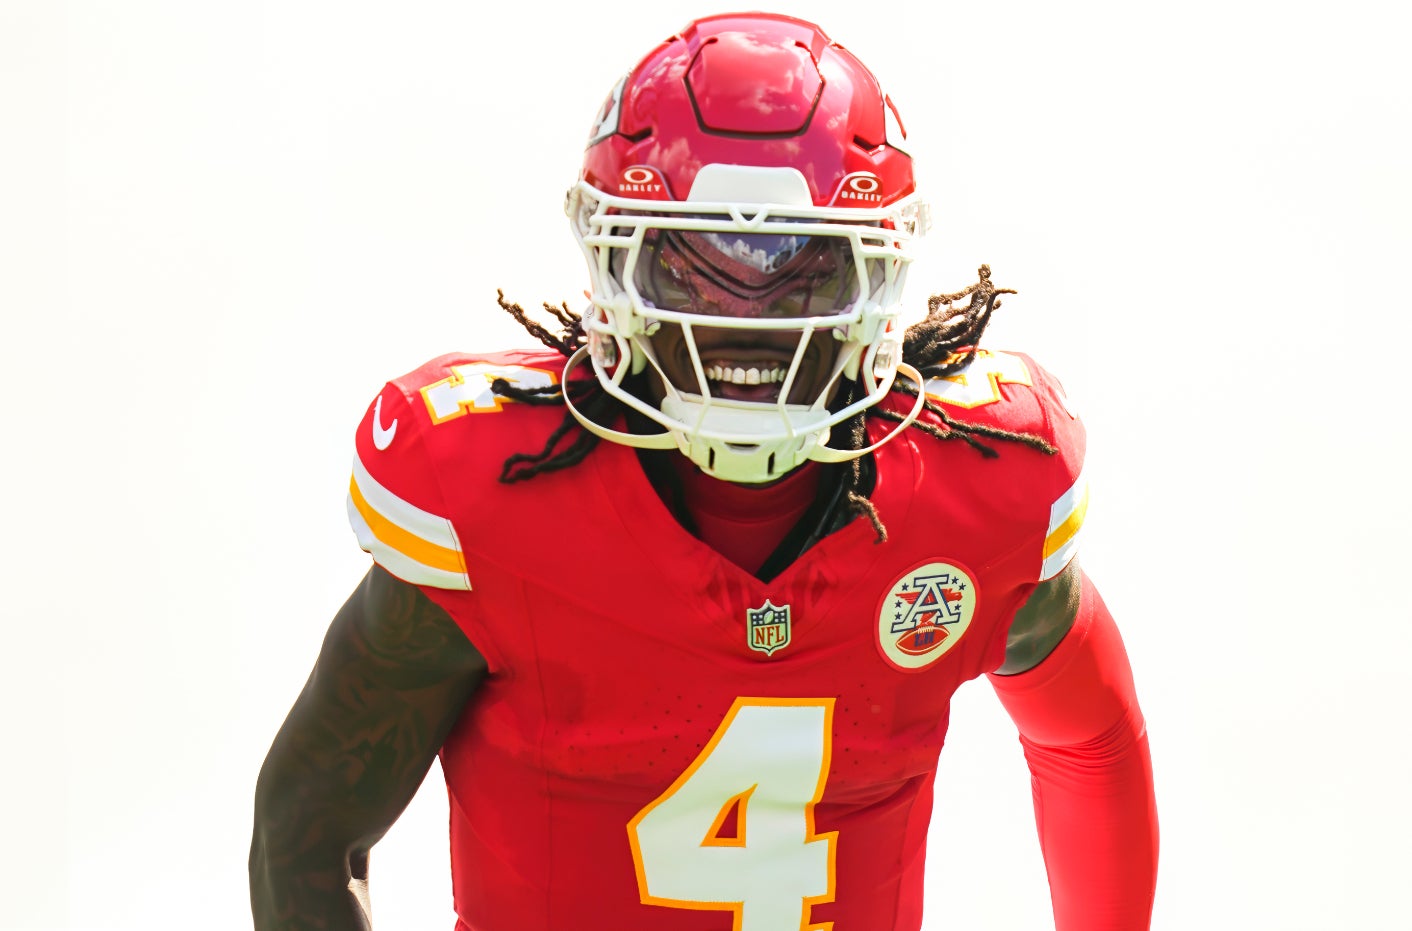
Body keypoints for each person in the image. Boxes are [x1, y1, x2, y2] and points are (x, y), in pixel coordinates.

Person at [249, 11, 1158, 930]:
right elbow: (306, 837)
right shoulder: (495, 499)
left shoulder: (973, 491)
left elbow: (1093, 746)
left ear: (881, 275)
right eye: (690, 263)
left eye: (804, 264)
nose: (743, 318)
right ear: (610, 259)